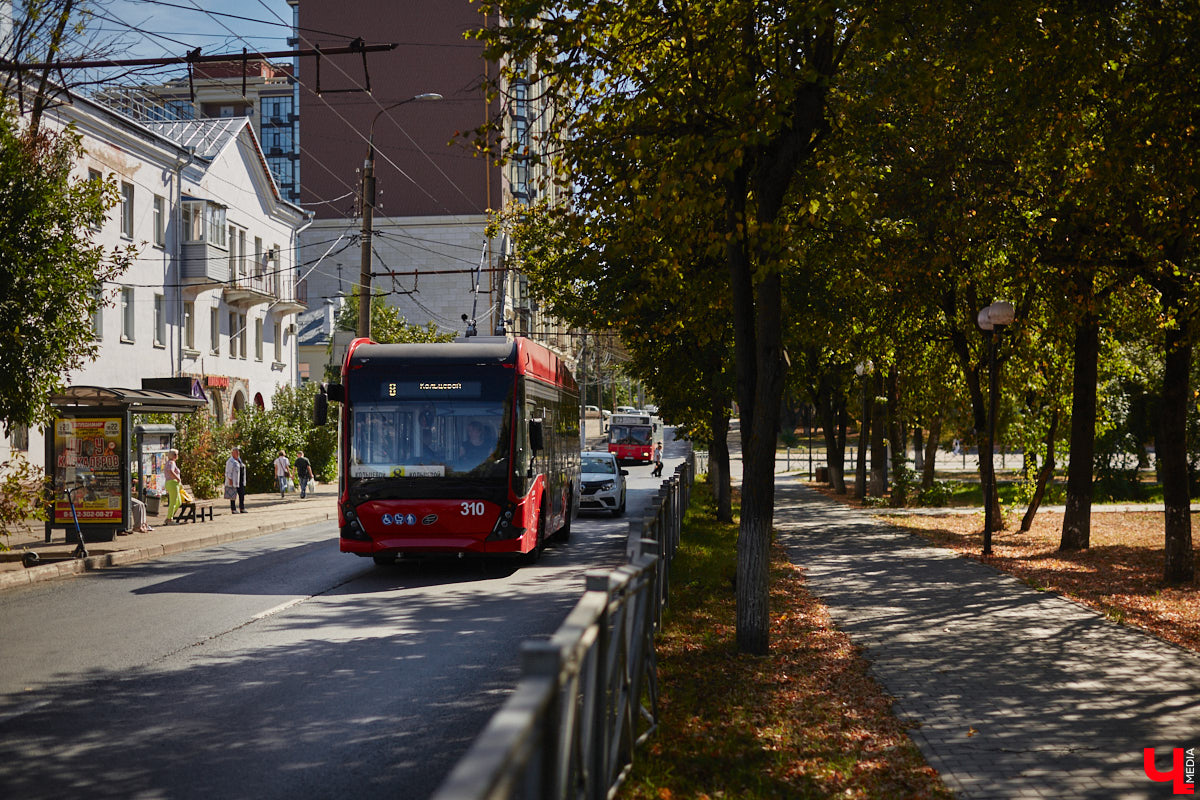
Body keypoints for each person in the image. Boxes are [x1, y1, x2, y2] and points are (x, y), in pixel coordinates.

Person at [225, 447, 247, 513]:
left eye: (238, 452)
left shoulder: (239, 460)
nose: (237, 453)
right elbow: (228, 471)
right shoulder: (230, 461)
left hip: (240, 480)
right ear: (232, 453)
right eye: (236, 452)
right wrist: (230, 479)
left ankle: (242, 508)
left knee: (242, 495)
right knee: (233, 496)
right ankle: (233, 509)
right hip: (233, 480)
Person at [163, 448, 182, 524]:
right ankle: (169, 519)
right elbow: (170, 471)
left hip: (171, 483)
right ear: (174, 455)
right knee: (173, 502)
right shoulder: (171, 463)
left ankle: (169, 516)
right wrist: (177, 478)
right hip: (173, 483)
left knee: (178, 501)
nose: (177, 456)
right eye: (176, 454)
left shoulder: (169, 462)